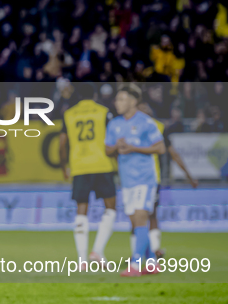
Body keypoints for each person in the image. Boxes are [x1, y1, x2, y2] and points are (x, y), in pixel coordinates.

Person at [106, 84, 166, 277]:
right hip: (127, 179)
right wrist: (118, 146)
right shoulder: (114, 124)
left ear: (133, 102)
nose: (117, 103)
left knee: (141, 217)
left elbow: (160, 148)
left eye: (121, 99)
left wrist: (134, 148)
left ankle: (135, 263)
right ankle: (152, 262)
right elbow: (107, 149)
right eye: (117, 99)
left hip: (145, 178)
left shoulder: (146, 122)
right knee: (136, 221)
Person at [59, 84, 117, 270]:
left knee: (81, 210)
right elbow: (113, 138)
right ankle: (98, 251)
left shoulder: (69, 114)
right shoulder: (104, 112)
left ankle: (82, 260)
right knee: (111, 209)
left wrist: (64, 166)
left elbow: (62, 143)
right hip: (101, 165)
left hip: (79, 166)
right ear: (95, 94)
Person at [131, 103, 198, 259]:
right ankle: (140, 252)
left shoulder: (158, 128)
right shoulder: (130, 126)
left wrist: (188, 175)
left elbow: (173, 153)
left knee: (150, 214)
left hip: (151, 178)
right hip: (132, 179)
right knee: (137, 216)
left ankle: (153, 251)